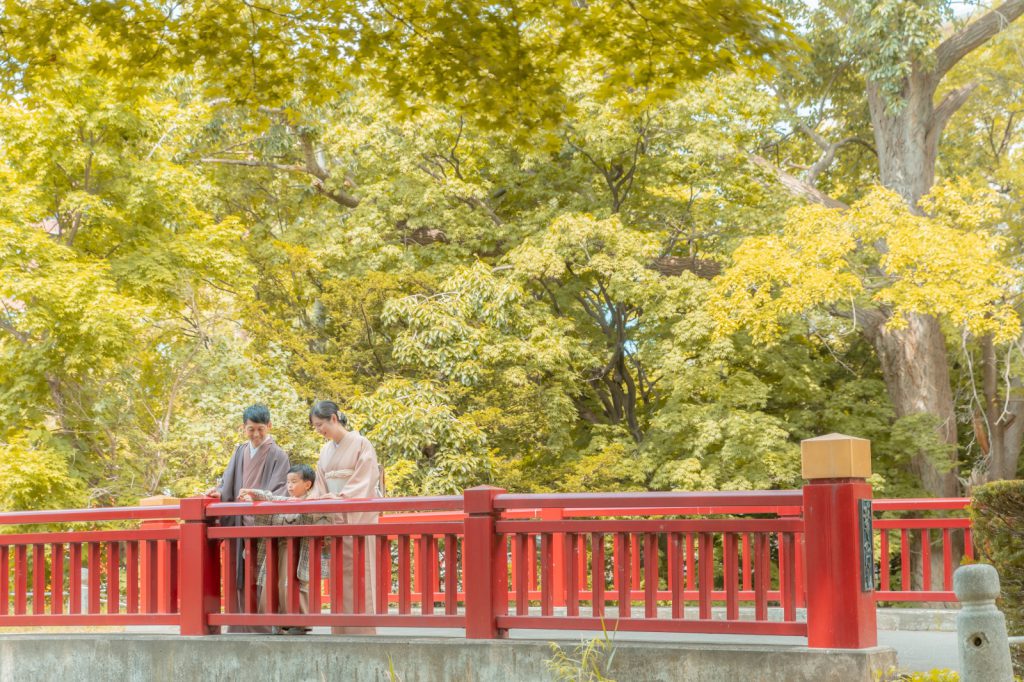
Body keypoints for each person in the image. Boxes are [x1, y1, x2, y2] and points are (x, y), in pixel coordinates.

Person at [205, 403, 290, 632]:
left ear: (269, 426)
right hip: (239, 523)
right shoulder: (240, 451)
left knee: (263, 575)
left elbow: (280, 490)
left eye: (261, 429)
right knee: (239, 576)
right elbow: (228, 483)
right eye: (251, 429)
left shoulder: (278, 455)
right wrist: (219, 492)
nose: (256, 434)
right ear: (243, 428)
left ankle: (265, 626)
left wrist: (257, 498)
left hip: (262, 525)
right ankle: (240, 626)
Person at [308, 399, 381, 635]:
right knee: (338, 575)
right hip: (334, 517)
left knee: (361, 571)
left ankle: (363, 631)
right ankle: (340, 631)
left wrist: (341, 497)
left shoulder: (361, 443)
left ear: (333, 418)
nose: (319, 430)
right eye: (315, 426)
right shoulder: (325, 451)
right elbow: (319, 486)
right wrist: (318, 501)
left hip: (356, 517)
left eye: (320, 425)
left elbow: (365, 479)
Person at [240, 464, 327, 635]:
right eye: (288, 482)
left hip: (298, 551)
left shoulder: (313, 501)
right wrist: (252, 495)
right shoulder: (284, 500)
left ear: (307, 484)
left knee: (294, 583)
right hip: (278, 549)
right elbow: (270, 497)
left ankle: (299, 623)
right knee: (274, 582)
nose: (289, 486)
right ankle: (277, 621)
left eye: (294, 482)